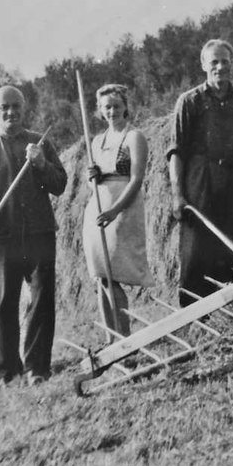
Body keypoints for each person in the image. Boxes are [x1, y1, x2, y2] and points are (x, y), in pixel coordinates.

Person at [0, 85, 67, 389]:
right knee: (4, 304)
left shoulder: (39, 143)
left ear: (24, 109)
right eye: (4, 107)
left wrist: (41, 164)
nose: (11, 112)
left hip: (38, 234)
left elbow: (59, 184)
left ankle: (37, 369)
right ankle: (8, 373)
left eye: (16, 107)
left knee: (42, 302)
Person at [167, 40, 233, 308]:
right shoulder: (189, 102)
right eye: (214, 62)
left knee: (229, 248)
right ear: (203, 66)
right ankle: (193, 316)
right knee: (196, 251)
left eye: (225, 61)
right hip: (199, 181)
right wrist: (178, 194)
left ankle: (225, 312)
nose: (220, 67)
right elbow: (176, 152)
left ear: (232, 63)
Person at [83, 83, 151, 339]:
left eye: (116, 107)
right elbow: (92, 181)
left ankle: (124, 335)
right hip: (97, 208)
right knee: (100, 275)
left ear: (125, 108)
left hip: (123, 207)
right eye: (106, 107)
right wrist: (92, 177)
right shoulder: (98, 141)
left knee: (114, 273)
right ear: (100, 111)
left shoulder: (134, 137)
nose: (112, 112)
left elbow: (136, 179)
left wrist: (115, 210)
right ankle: (111, 338)